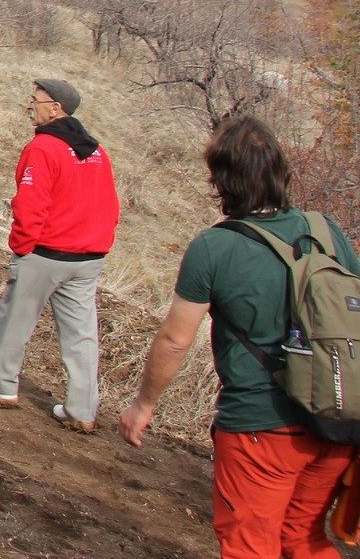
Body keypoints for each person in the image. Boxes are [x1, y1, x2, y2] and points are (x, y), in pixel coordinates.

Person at [119, 115, 358, 558]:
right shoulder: (327, 231)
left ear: (222, 179)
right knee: (304, 539)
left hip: (261, 429)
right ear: (281, 171)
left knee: (250, 545)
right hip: (339, 422)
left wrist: (144, 404)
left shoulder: (214, 247)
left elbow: (175, 340)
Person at [0, 78, 119, 431]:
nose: (29, 106)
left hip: (47, 253)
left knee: (14, 320)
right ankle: (82, 409)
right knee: (81, 336)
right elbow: (109, 204)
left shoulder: (43, 148)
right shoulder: (97, 151)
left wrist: (22, 247)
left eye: (35, 101)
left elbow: (31, 203)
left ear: (55, 109)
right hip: (88, 258)